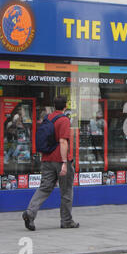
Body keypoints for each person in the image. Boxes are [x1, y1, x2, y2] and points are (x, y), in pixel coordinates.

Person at [22, 95, 79, 231]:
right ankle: (66, 221)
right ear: (65, 106)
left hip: (47, 159)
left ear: (54, 105)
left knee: (44, 188)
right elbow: (63, 141)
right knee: (66, 192)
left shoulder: (48, 118)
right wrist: (65, 162)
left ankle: (30, 213)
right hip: (60, 160)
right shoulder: (64, 120)